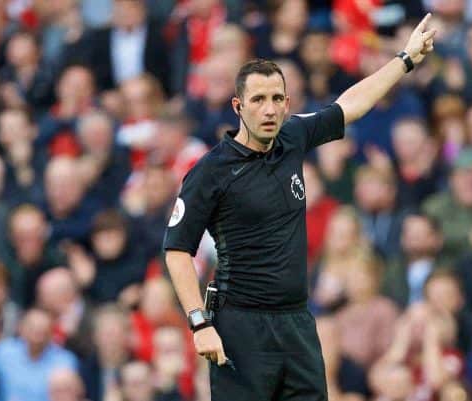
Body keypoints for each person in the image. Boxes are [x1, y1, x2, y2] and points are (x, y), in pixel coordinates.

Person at [163, 13, 436, 401]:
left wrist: (405, 59)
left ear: (288, 103)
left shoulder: (293, 137)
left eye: (277, 99)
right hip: (241, 326)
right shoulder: (210, 172)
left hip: (296, 322)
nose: (270, 109)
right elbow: (176, 250)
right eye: (259, 100)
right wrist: (199, 323)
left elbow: (350, 106)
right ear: (238, 106)